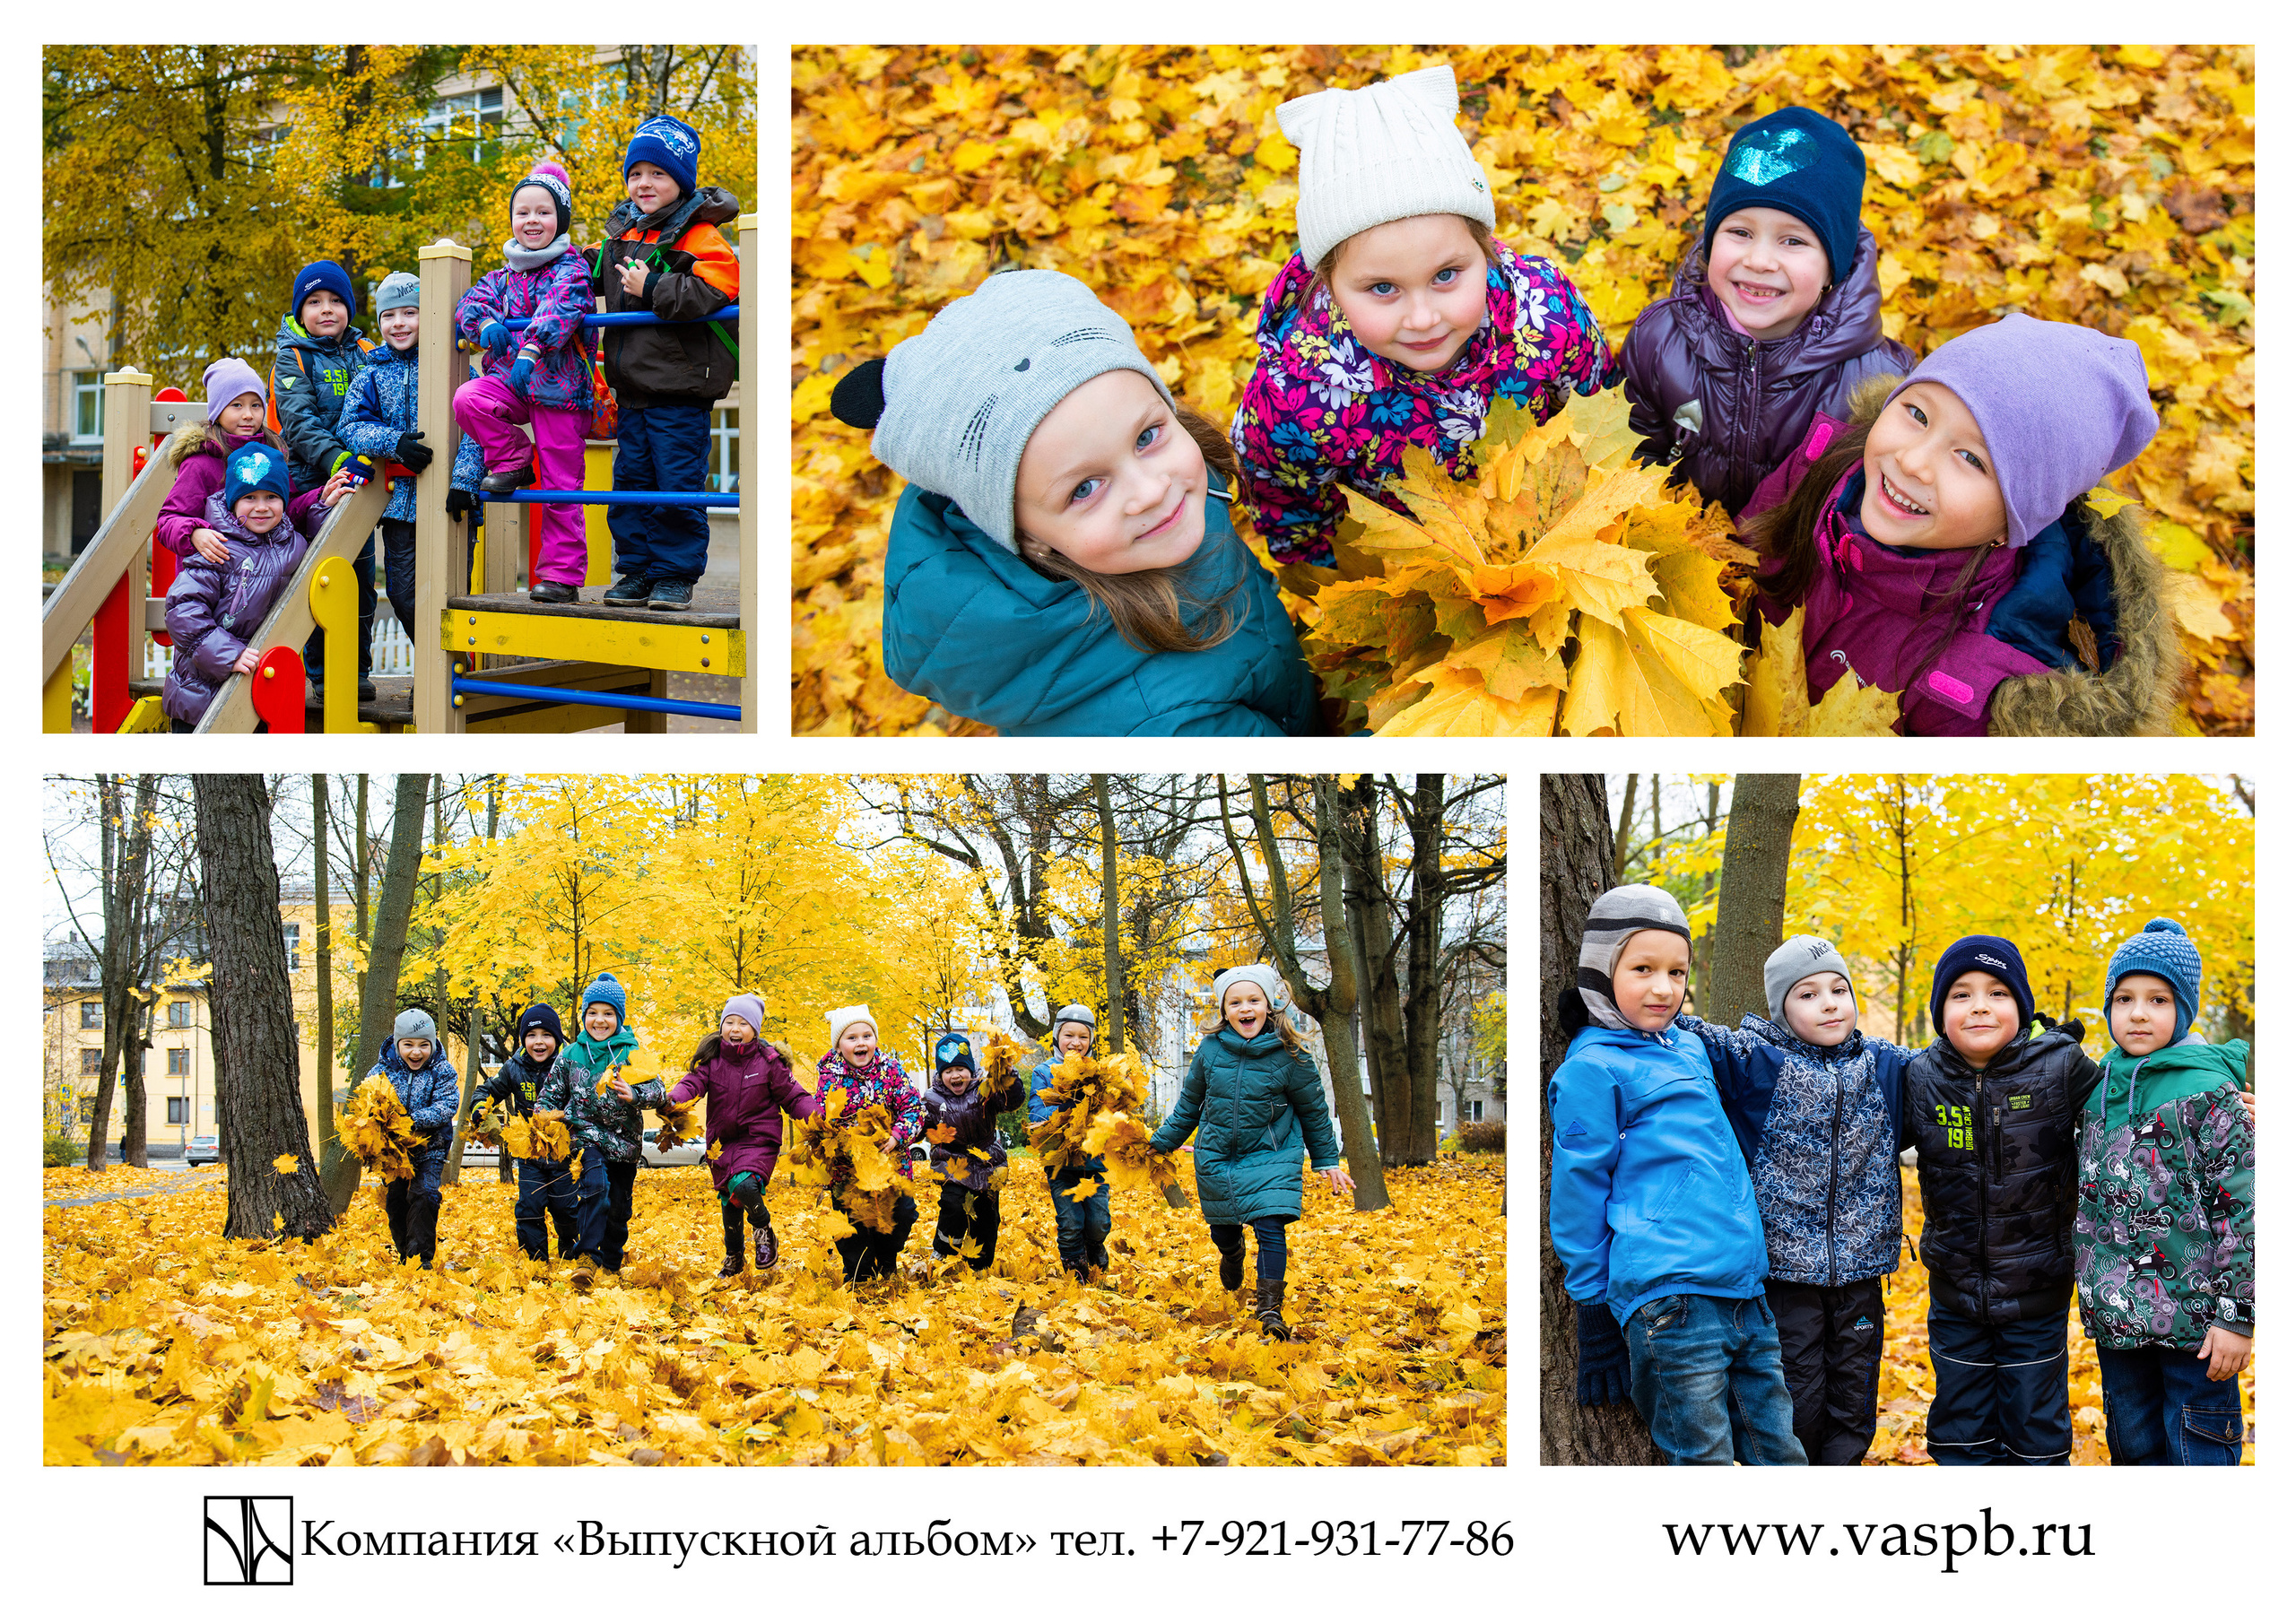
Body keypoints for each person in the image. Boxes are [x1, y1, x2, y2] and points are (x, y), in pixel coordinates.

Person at [831, 269, 1318, 736]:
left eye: (1147, 436)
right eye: (1084, 489)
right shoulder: (1154, 731)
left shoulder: (1160, 517)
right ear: (1026, 538)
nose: (1150, 490)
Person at [1230, 65, 1609, 568]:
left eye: (1446, 275)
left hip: (1545, 538)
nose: (1424, 317)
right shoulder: (1293, 397)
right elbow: (1292, 509)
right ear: (1328, 283)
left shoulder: (1547, 317)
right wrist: (1343, 579)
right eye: (1383, 288)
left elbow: (1598, 415)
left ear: (1484, 249)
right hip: (1409, 571)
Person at [1738, 313, 2183, 735]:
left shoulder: (1978, 681)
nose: (1912, 462)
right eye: (1918, 415)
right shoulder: (1819, 465)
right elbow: (1737, 553)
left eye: (1970, 458)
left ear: (2012, 525)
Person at [1548, 885, 1805, 1465]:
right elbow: (1578, 1191)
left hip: (1745, 1291)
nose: (1664, 989)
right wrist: (1591, 1306)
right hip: (1672, 1300)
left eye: (1677, 972)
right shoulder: (1593, 1068)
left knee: (1781, 1456)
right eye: (1642, 969)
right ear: (1601, 972)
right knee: (1702, 1460)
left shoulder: (1687, 1049)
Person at [1671, 934, 1913, 1464]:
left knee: (1854, 1395)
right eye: (1808, 994)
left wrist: (2032, 1046)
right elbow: (1676, 1023)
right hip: (1783, 1276)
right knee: (1795, 1395)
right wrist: (1600, 1007)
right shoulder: (1756, 1060)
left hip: (1861, 1272)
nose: (1829, 1004)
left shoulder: (1885, 1065)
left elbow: (1958, 1057)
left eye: (1839, 990)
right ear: (1781, 1009)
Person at [1620, 107, 1916, 516]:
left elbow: (1859, 509)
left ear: (1834, 267)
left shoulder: (1876, 382)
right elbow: (1635, 449)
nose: (1759, 261)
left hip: (1791, 550)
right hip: (1680, 533)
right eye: (1740, 232)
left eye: (1793, 241)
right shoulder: (1658, 337)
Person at [1900, 935, 2100, 1464]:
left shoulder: (2061, 1067)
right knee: (1959, 1431)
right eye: (1961, 995)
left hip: (2038, 1294)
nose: (1980, 1006)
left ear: (2022, 1006)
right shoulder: (1920, 1077)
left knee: (2035, 1433)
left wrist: (2210, 1097)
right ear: (1940, 1013)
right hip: (1954, 1294)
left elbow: (2130, 1109)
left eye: (1997, 993)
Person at [2075, 918, 2255, 1465]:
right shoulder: (2097, 1091)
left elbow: (2243, 1212)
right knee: (2134, 1451)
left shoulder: (2208, 1092)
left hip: (2197, 1327)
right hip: (2118, 1320)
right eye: (2124, 998)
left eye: (2158, 1000)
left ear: (2184, 1010)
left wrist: (2237, 1315)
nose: (2137, 1013)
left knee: (2197, 1454)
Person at [1151, 966, 1352, 1339]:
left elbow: (1313, 1110)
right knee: (1223, 1232)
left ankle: (1270, 1309)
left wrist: (1327, 1160)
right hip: (1216, 1157)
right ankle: (1233, 1253)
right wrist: (1158, 1144)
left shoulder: (1291, 1054)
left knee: (1271, 1228)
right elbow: (1188, 1106)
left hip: (1272, 1155)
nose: (1246, 1008)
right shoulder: (1210, 1051)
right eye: (1236, 1002)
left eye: (1254, 1000)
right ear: (1225, 1011)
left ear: (1269, 1005)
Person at [595, 114, 740, 612]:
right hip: (633, 389)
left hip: (680, 388)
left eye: (657, 173)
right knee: (632, 484)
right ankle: (636, 570)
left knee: (676, 484)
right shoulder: (623, 235)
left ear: (680, 180)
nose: (644, 183)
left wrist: (652, 286)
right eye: (636, 174)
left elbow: (720, 286)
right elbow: (585, 268)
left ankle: (674, 575)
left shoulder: (699, 235)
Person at [453, 161, 597, 604]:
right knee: (469, 398)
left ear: (561, 220)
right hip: (513, 384)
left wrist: (532, 345)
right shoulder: (504, 277)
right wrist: (484, 325)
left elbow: (562, 307)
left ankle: (560, 576)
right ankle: (513, 457)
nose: (532, 221)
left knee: (559, 486)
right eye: (523, 212)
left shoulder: (571, 268)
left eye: (544, 212)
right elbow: (471, 303)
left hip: (559, 391)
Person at [161, 444, 352, 730]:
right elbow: (182, 612)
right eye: (249, 497)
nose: (261, 507)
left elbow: (316, 552)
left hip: (258, 687)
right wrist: (229, 654)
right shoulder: (218, 546)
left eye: (271, 497)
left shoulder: (290, 544)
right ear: (232, 502)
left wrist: (324, 507)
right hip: (200, 694)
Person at [336, 269, 483, 641]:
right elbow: (350, 426)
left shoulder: (457, 366)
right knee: (403, 596)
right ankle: (439, 663)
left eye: (409, 312)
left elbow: (479, 427)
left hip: (451, 500)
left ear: (427, 315)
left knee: (450, 593)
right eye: (388, 316)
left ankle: (451, 666)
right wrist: (394, 443)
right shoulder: (372, 372)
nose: (398, 323)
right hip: (400, 506)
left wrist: (465, 481)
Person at [272, 259, 378, 701]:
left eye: (336, 300)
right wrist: (339, 459)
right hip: (314, 486)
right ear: (300, 311)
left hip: (361, 486)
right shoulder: (292, 357)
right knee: (321, 578)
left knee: (362, 581)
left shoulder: (367, 351)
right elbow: (299, 422)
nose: (327, 309)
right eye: (314, 302)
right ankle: (321, 673)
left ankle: (356, 668)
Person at [657, 994, 820, 1277]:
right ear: (722, 1026)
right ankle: (733, 1257)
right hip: (722, 1144)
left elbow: (793, 1096)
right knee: (729, 1203)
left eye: (743, 1023)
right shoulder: (713, 1060)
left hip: (758, 1140)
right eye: (729, 1022)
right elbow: (692, 1084)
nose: (735, 1029)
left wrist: (817, 1118)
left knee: (744, 1186)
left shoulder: (769, 1062)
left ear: (755, 1030)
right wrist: (674, 1100)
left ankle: (763, 1230)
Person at [535, 972, 660, 1288]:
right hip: (585, 1137)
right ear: (584, 1016)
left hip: (625, 1145)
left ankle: (612, 1261)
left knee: (618, 1209)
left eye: (608, 1014)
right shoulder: (570, 1055)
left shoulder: (632, 1053)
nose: (599, 1020)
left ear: (619, 1018)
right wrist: (546, 1118)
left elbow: (659, 1091)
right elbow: (549, 1095)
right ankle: (587, 1257)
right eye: (592, 1013)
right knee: (596, 1187)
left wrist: (635, 1094)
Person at [813, 1005, 925, 1281]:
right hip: (848, 1169)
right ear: (839, 1045)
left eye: (867, 1036)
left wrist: (897, 1135)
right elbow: (822, 1117)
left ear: (875, 1039)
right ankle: (859, 1274)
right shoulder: (829, 1077)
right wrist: (836, 1142)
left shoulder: (892, 1070)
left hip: (891, 1165)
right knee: (854, 1226)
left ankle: (887, 1260)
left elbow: (913, 1107)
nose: (861, 1043)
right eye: (852, 1038)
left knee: (901, 1214)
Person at [155, 358, 290, 565]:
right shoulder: (200, 463)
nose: (248, 415)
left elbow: (291, 505)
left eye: (255, 405)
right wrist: (194, 534)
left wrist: (321, 498)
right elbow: (169, 520)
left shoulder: (271, 454)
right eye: (237, 405)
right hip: (211, 573)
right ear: (217, 412)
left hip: (263, 573)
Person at [481, 1003, 579, 1265]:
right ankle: (535, 1261)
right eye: (532, 1035)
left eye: (547, 1035)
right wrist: (481, 1108)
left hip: (563, 1153)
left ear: (557, 1038)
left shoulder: (570, 1064)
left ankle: (570, 1249)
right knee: (529, 1207)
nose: (539, 1042)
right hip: (530, 1154)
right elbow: (487, 1091)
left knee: (566, 1208)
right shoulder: (514, 1067)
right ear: (523, 1039)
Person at [919, 1032, 1025, 1273]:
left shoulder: (985, 1089)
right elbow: (921, 1126)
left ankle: (980, 1265)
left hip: (987, 1160)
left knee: (987, 1217)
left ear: (970, 1069)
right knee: (953, 1205)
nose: (955, 1075)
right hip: (951, 1162)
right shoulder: (932, 1098)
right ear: (940, 1074)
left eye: (960, 1069)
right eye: (948, 1071)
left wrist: (1008, 1076)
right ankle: (945, 1248)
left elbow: (1011, 1101)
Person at [364, 1010, 461, 1268]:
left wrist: (410, 1120)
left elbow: (447, 1106)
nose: (416, 1052)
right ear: (397, 1044)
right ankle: (405, 1253)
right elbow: (367, 1103)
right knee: (396, 1202)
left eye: (423, 1045)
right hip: (394, 1152)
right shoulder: (380, 1071)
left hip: (430, 1148)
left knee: (425, 1195)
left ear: (432, 1044)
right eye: (408, 1045)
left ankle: (421, 1259)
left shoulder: (442, 1070)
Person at [1029, 1004, 1111, 1280]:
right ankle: (1075, 1270)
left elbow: (1113, 1112)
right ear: (1056, 1037)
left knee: (1099, 1223)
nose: (1076, 1042)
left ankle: (1094, 1245)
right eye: (1069, 1035)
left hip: (1095, 1164)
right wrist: (1067, 1109)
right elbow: (1037, 1113)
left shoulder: (1100, 1074)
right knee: (1070, 1223)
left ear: (1091, 1041)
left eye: (1083, 1036)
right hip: (1061, 1165)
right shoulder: (1044, 1072)